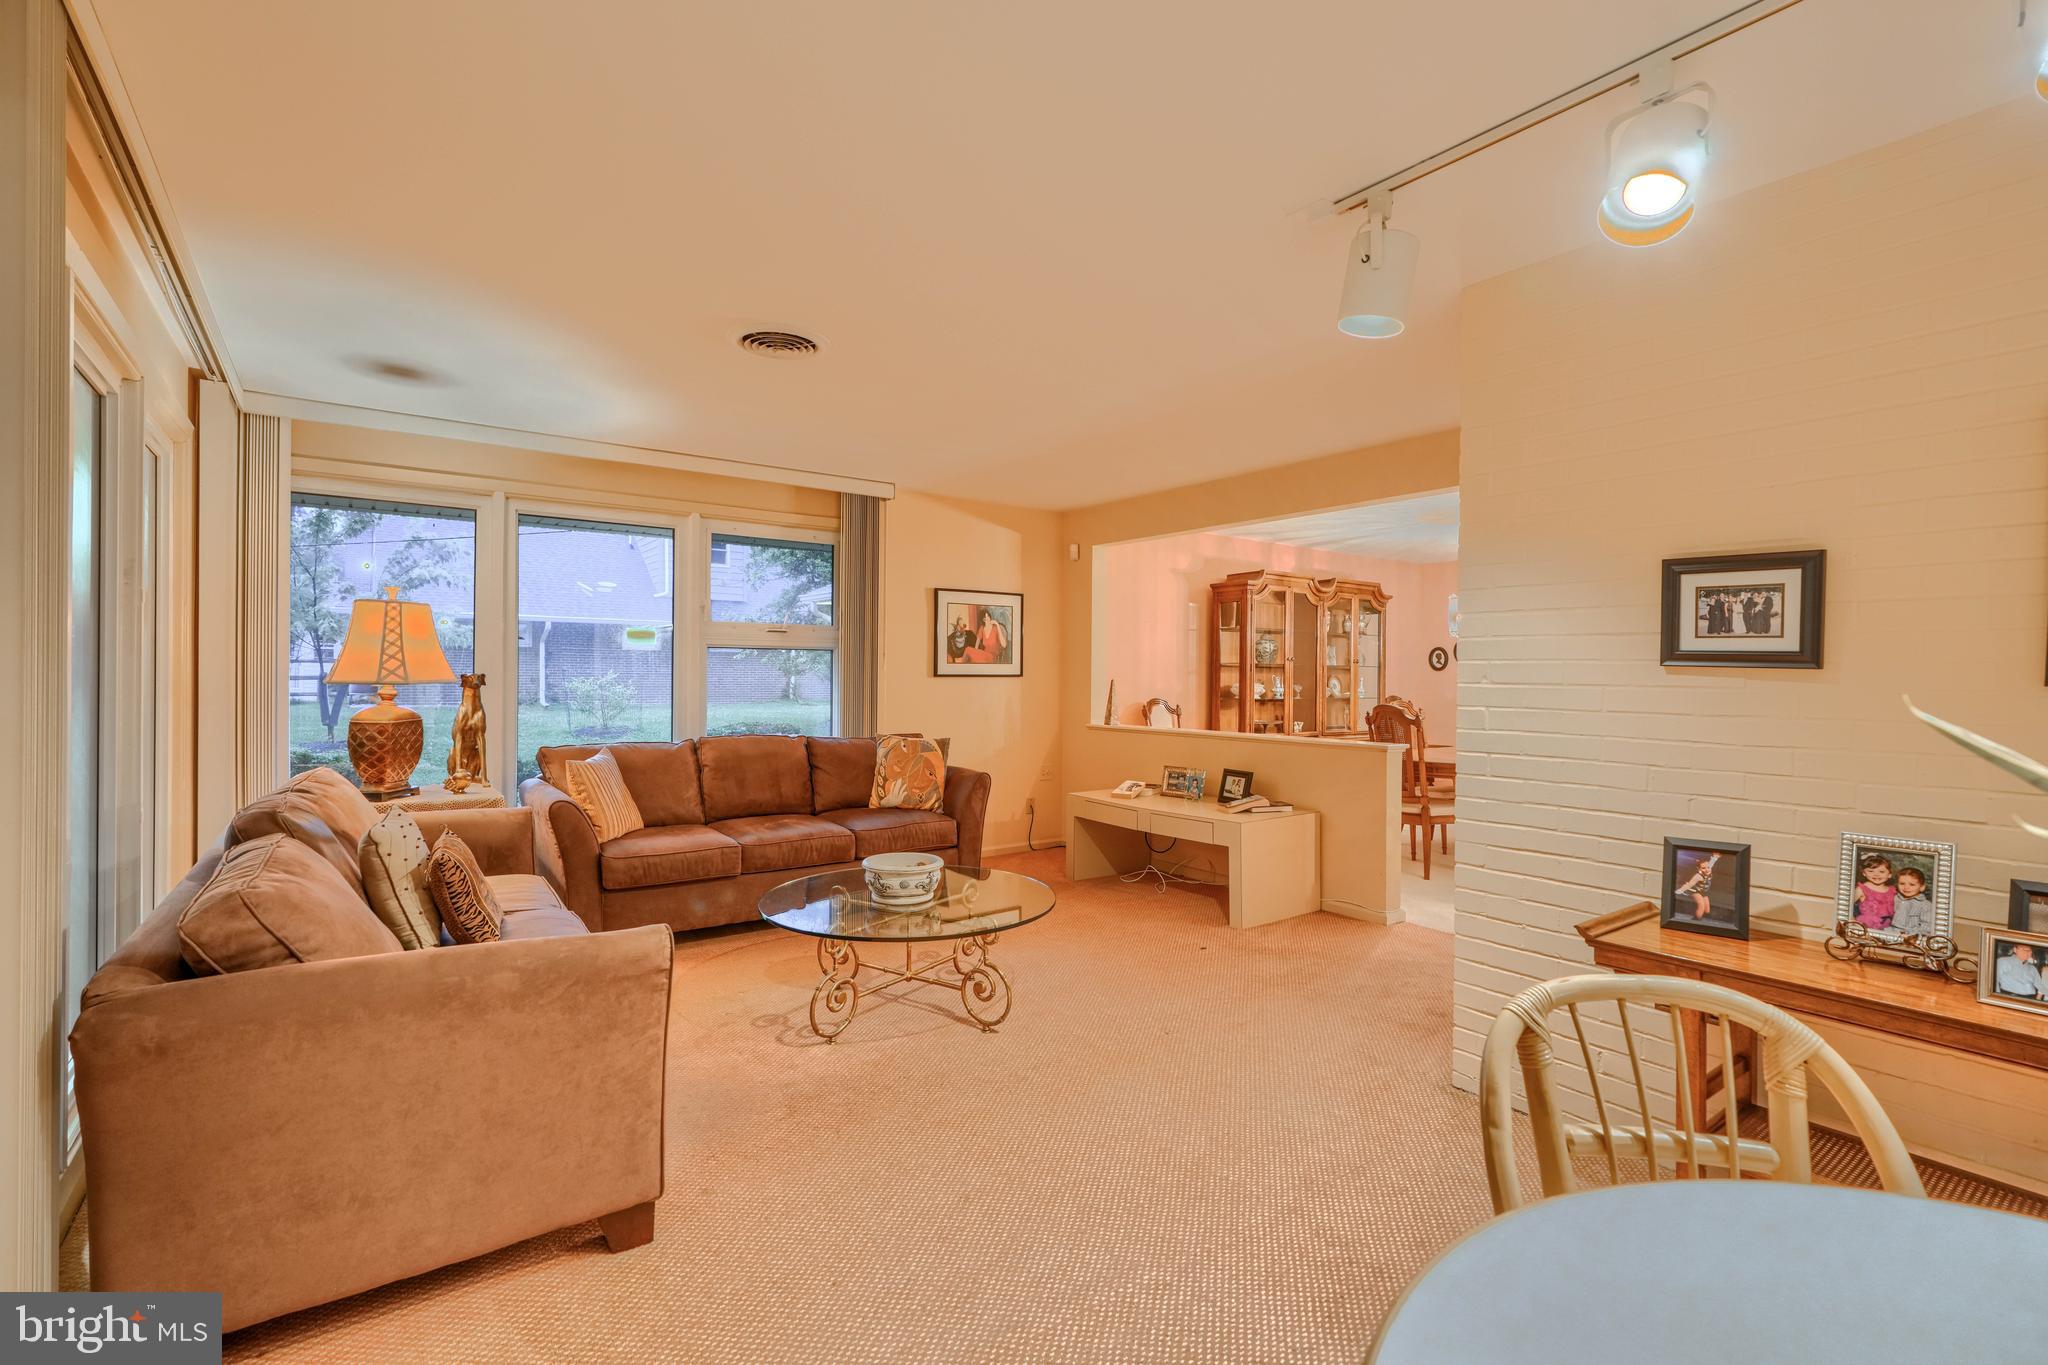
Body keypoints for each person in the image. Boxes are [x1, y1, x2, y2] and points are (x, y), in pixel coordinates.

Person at [1852, 853, 1897, 929]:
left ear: (1889, 874)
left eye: (1881, 872)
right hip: (1867, 925)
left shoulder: (1893, 890)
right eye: (1871, 871)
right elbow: (1846, 906)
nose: (1876, 874)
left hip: (1888, 927)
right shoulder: (1862, 889)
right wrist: (1852, 921)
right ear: (1864, 873)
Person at [1889, 866, 1936, 938]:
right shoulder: (1895, 898)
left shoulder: (1926, 905)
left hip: (1910, 936)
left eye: (1912, 884)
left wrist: (1910, 935)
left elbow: (1927, 927)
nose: (1906, 887)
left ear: (1922, 887)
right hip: (1891, 932)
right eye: (1902, 884)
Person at [1674, 851, 1722, 920]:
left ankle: (1695, 915)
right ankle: (1696, 920)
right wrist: (1680, 890)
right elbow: (1689, 885)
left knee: (1707, 910)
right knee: (1701, 906)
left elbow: (1711, 863)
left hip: (1703, 891)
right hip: (1695, 891)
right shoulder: (1698, 876)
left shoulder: (1708, 869)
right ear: (1699, 869)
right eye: (1703, 868)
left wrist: (1714, 857)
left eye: (1708, 867)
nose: (1707, 870)